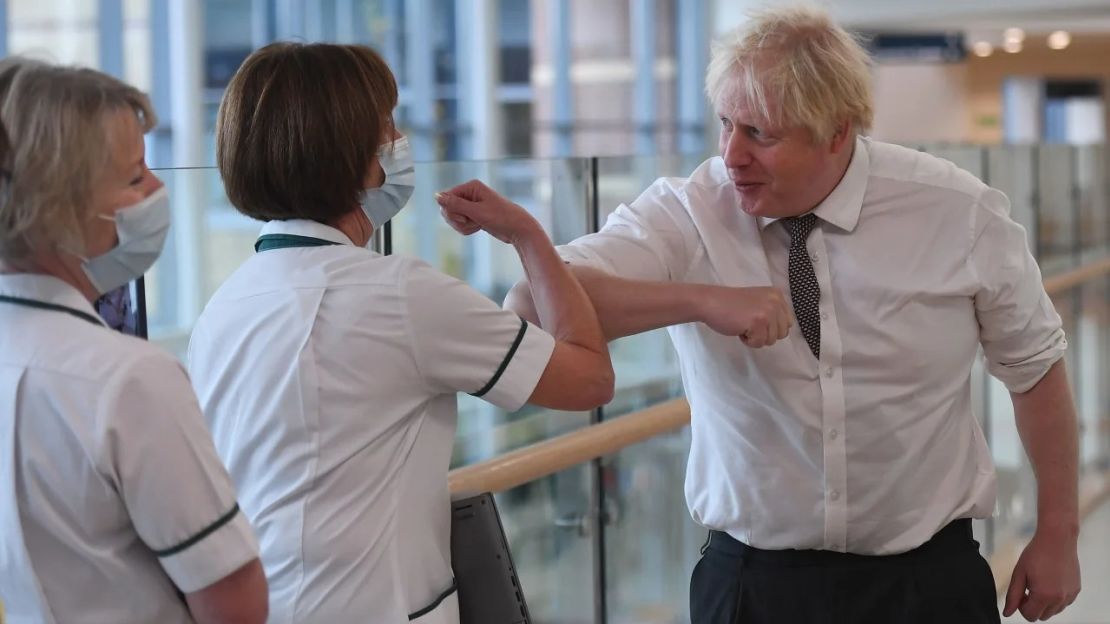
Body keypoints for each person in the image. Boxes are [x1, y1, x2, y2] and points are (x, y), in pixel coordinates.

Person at [484, 6, 1082, 623]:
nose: (731, 155)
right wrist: (700, 300)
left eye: (760, 135)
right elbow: (532, 303)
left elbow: (1034, 370)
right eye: (725, 125)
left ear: (836, 132)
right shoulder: (687, 213)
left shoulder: (958, 212)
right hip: (751, 586)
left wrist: (1058, 531)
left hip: (924, 581)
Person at [187, 42, 613, 623]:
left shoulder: (223, 306)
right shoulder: (400, 296)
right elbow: (588, 377)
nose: (399, 142)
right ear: (353, 154)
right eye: (388, 126)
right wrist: (527, 236)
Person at [0, 58, 267, 623]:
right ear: (59, 206)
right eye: (134, 177)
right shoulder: (127, 379)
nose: (157, 189)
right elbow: (235, 603)